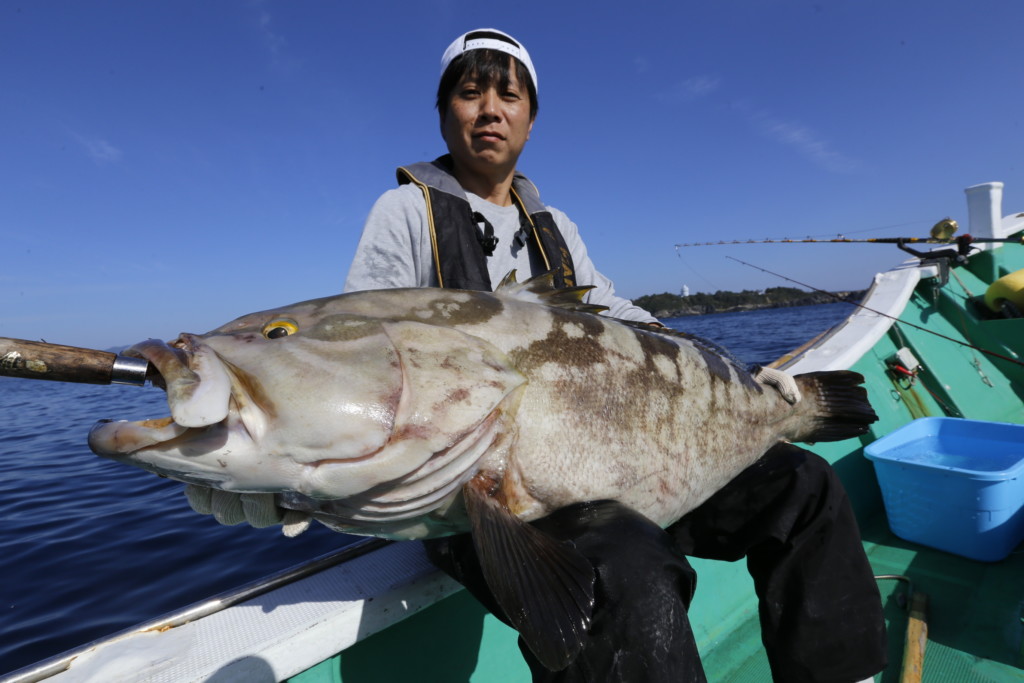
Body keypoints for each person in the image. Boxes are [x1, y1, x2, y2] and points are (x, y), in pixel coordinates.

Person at [340, 28, 886, 683]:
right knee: (623, 567)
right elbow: (362, 350)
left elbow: (616, 315)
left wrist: (736, 373)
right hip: (488, 505)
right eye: (469, 92)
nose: (490, 109)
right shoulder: (404, 212)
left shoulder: (557, 227)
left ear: (531, 120)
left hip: (609, 468)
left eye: (509, 95)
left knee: (805, 485)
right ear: (443, 111)